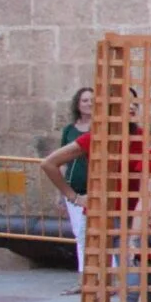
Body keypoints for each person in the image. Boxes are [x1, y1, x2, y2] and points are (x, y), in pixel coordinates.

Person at [59, 86, 95, 268]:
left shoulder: (100, 129)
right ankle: (83, 276)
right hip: (75, 190)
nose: (89, 104)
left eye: (92, 100)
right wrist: (63, 193)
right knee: (80, 234)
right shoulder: (69, 130)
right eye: (85, 100)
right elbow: (63, 162)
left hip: (94, 189)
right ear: (78, 104)